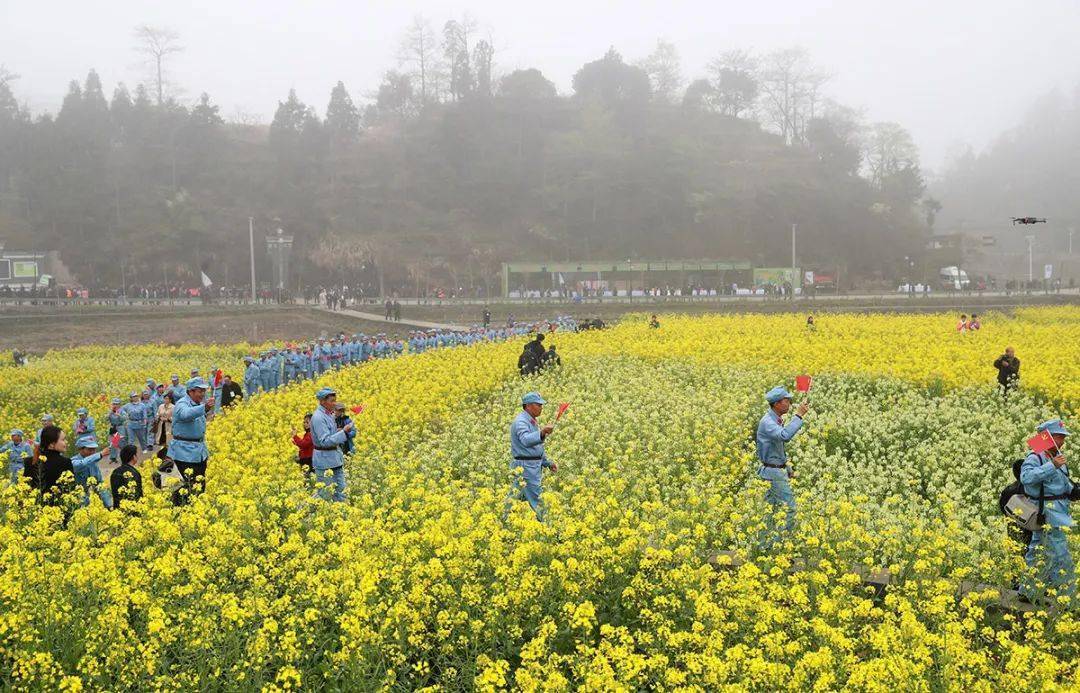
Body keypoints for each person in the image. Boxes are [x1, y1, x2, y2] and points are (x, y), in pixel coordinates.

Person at [1019, 419, 1076, 601]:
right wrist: (1053, 466)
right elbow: (1026, 478)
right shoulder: (1035, 457)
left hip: (1059, 511)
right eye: (1059, 437)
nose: (1063, 441)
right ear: (1047, 437)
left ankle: (1027, 591)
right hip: (1047, 513)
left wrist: (1074, 490)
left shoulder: (1057, 456)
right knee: (1061, 556)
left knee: (1037, 552)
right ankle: (1067, 599)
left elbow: (1062, 483)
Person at [756, 386, 809, 547]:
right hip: (773, 473)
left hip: (774, 470)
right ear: (777, 404)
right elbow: (784, 436)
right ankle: (779, 546)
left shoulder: (774, 420)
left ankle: (764, 547)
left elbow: (776, 448)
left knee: (769, 511)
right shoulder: (768, 422)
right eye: (787, 401)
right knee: (789, 509)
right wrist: (799, 415)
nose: (790, 404)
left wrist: (787, 468)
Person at [505, 392, 558, 521]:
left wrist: (547, 462)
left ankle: (504, 523)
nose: (541, 407)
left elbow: (536, 448)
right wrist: (542, 432)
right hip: (526, 467)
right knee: (537, 498)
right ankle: (549, 526)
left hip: (528, 465)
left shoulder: (531, 420)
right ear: (528, 406)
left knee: (515, 497)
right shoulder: (521, 422)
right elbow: (526, 440)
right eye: (538, 405)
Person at [167, 377, 214, 506]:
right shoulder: (182, 404)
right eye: (200, 391)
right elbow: (185, 415)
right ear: (191, 391)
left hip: (198, 452)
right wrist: (204, 408)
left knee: (199, 485)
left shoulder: (197, 404)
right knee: (183, 489)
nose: (203, 394)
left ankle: (196, 511)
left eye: (204, 391)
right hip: (184, 454)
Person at [310, 387, 353, 502]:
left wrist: (340, 432)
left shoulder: (329, 414)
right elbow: (324, 441)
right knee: (325, 494)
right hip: (324, 461)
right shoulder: (318, 417)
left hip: (335, 458)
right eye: (332, 401)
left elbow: (331, 435)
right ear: (323, 401)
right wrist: (343, 432)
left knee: (341, 492)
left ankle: (342, 517)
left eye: (335, 400)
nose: (335, 403)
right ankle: (305, 511)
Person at [71, 435, 112, 508]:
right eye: (90, 449)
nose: (93, 452)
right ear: (80, 449)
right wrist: (100, 454)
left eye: (94, 449)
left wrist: (109, 506)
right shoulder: (73, 461)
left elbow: (100, 486)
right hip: (72, 503)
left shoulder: (94, 465)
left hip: (86, 503)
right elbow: (82, 464)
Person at [110, 444, 143, 512]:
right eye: (136, 454)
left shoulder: (115, 472)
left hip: (117, 511)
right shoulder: (134, 473)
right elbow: (137, 495)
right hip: (132, 512)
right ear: (134, 457)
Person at [106, 397, 126, 462]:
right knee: (113, 443)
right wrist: (109, 414)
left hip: (120, 427)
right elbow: (106, 419)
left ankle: (125, 456)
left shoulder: (122, 411)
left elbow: (124, 419)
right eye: (114, 404)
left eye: (117, 404)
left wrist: (119, 415)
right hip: (113, 428)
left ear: (119, 405)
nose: (115, 405)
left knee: (121, 443)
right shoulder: (110, 411)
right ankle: (113, 457)